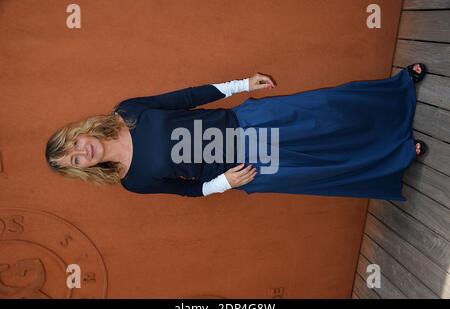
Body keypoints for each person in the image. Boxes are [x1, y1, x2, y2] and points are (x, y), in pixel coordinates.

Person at [45, 63, 427, 201]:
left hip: (244, 125)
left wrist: (241, 84)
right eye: (75, 160)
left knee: (326, 113)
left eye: (75, 144)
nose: (84, 151)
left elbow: (186, 97)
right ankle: (400, 155)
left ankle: (395, 94)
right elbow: (188, 190)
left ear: (79, 132)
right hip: (243, 166)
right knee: (326, 164)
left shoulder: (127, 112)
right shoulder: (132, 182)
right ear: (81, 169)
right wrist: (225, 182)